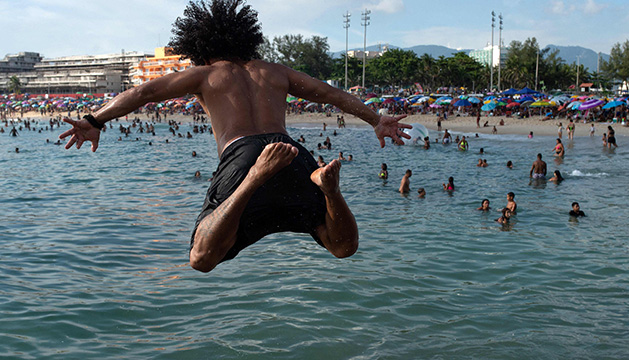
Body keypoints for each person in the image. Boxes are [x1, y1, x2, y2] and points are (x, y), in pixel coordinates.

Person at [58, 0, 411, 273]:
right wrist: (376, 119)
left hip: (245, 156)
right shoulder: (275, 71)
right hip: (291, 153)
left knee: (201, 258)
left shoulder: (207, 74)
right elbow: (330, 93)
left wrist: (95, 119)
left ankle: (252, 180)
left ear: (199, 44)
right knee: (341, 246)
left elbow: (144, 93)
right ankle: (329, 191)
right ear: (246, 38)